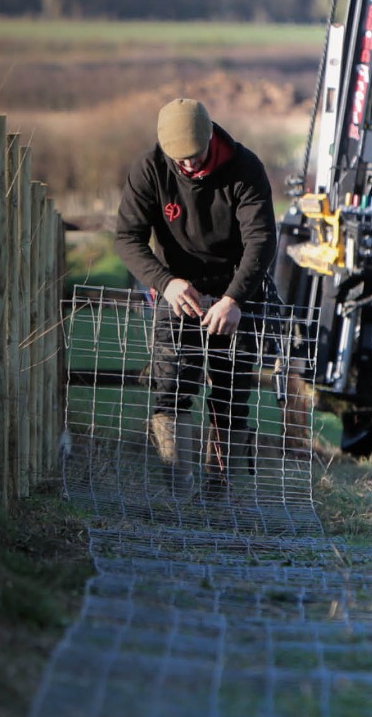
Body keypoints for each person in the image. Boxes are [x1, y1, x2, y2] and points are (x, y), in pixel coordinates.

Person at [114, 98, 277, 496]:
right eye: (178, 159)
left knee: (231, 392)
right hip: (177, 291)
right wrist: (166, 282)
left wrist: (234, 298)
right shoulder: (150, 169)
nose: (187, 165)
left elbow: (260, 240)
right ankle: (177, 489)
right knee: (171, 388)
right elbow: (127, 238)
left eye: (195, 156)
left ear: (210, 137)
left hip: (236, 289)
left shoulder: (244, 168)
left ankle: (221, 490)